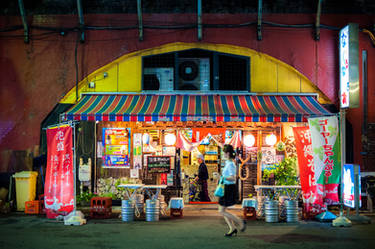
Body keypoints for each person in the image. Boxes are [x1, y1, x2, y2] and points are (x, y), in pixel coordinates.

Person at [218, 144, 246, 237]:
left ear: (228, 153)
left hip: (229, 188)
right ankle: (232, 228)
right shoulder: (228, 163)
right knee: (222, 210)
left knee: (222, 210)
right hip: (226, 187)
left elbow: (233, 178)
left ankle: (240, 222)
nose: (223, 154)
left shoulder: (231, 164)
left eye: (224, 153)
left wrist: (221, 177)